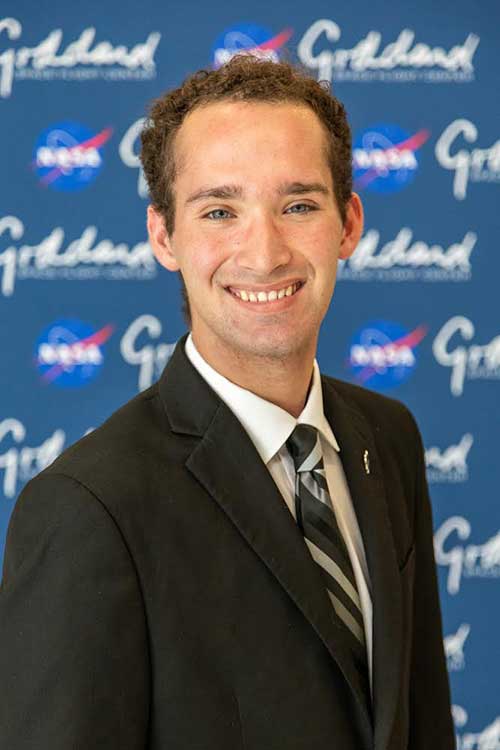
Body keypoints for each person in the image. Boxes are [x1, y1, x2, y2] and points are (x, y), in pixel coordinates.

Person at [0, 56, 455, 749]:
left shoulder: (388, 439)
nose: (265, 252)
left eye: (298, 205)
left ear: (349, 223)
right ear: (163, 237)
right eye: (220, 210)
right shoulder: (88, 508)